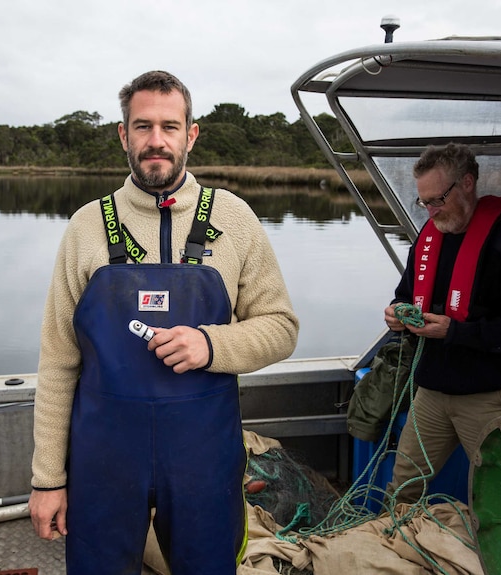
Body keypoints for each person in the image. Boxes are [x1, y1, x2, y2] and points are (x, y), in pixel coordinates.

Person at [28, 70, 299, 574]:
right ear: (123, 134)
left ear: (190, 135)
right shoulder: (86, 226)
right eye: (143, 126)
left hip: (204, 458)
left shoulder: (235, 219)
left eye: (170, 127)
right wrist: (47, 479)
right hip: (102, 460)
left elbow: (281, 327)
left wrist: (211, 345)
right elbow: (58, 362)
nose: (157, 141)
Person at [383, 142, 501, 503]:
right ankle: (393, 552)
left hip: (487, 397)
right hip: (430, 393)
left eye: (438, 200)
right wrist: (397, 312)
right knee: (402, 491)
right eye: (424, 202)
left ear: (468, 183)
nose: (430, 211)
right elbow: (405, 294)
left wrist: (455, 331)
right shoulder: (425, 244)